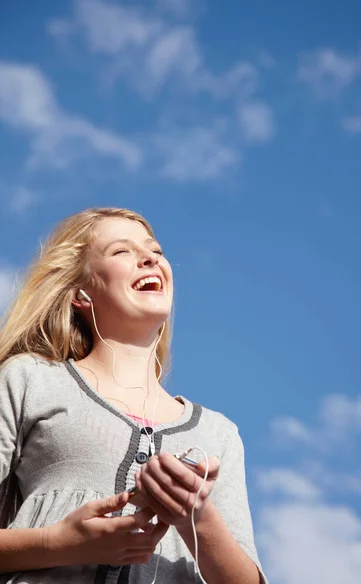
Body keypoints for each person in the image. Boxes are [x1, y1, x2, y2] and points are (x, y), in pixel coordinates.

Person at [0, 207, 267, 584]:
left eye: (155, 251)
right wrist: (59, 542)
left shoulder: (218, 435)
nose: (150, 259)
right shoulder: (29, 381)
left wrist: (197, 517)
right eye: (121, 251)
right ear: (81, 294)